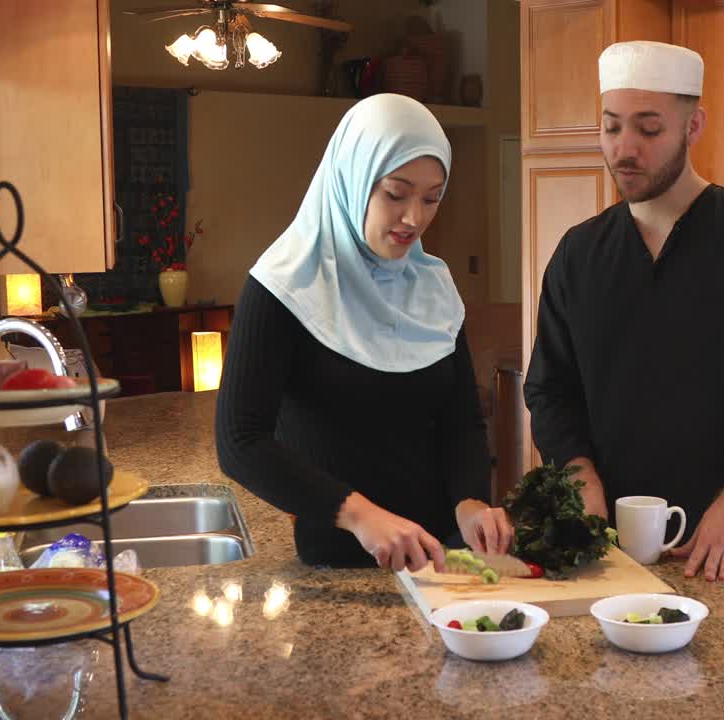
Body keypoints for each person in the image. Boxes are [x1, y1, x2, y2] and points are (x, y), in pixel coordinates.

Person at [523, 41, 724, 615]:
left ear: (693, 126)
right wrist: (581, 481)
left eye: (648, 129)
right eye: (612, 127)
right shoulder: (578, 253)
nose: (625, 149)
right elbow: (549, 389)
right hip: (610, 552)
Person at [216, 94, 513, 573]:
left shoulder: (432, 286)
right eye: (396, 194)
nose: (414, 218)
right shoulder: (282, 289)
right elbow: (241, 443)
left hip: (441, 559)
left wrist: (471, 502)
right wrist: (360, 516)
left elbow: (461, 422)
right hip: (338, 560)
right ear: (352, 179)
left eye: (432, 197)